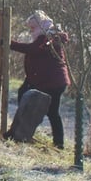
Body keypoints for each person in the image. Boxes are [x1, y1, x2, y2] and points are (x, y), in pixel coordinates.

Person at [9, 10, 71, 149]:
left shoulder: (48, 37)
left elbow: (32, 49)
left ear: (39, 25)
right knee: (26, 95)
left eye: (32, 28)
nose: (31, 31)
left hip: (52, 82)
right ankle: (23, 132)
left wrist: (10, 43)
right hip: (45, 79)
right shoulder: (46, 36)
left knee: (52, 112)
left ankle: (56, 143)